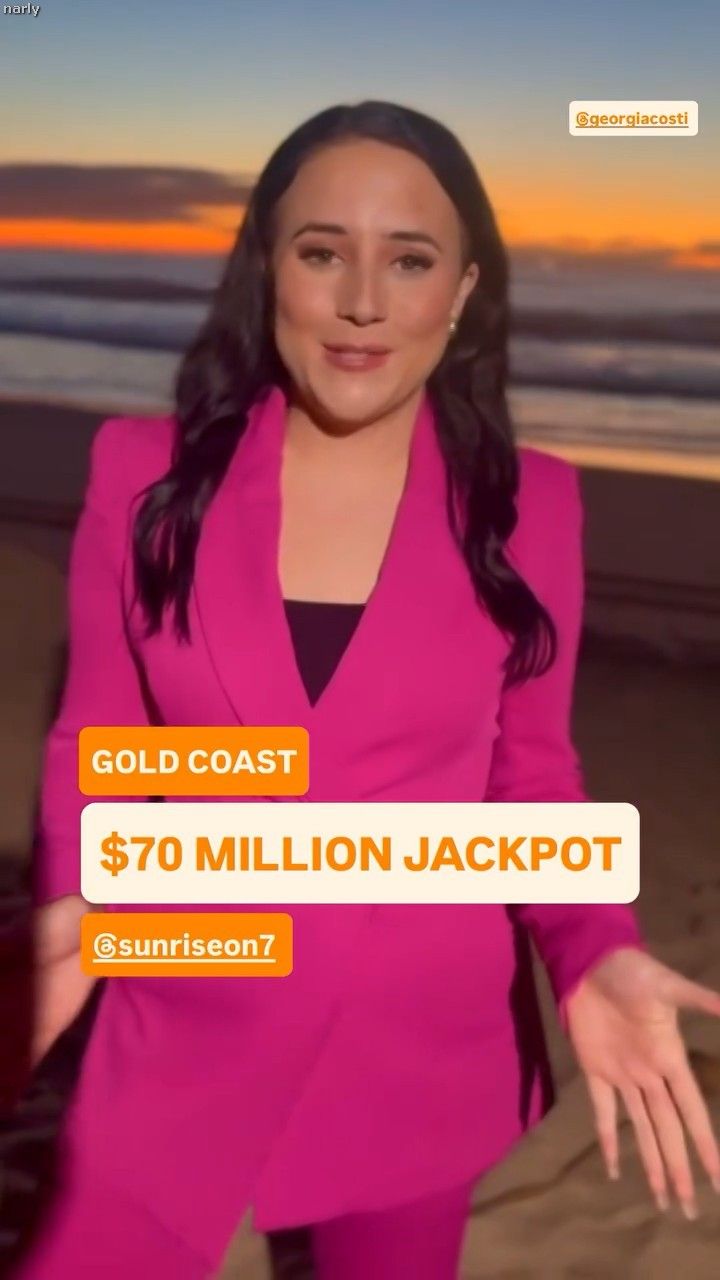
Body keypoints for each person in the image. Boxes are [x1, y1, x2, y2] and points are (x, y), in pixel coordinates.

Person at [14, 100, 720, 1279]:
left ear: (463, 290)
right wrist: (81, 907)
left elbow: (529, 775)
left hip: (418, 1046)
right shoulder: (141, 477)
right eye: (322, 251)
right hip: (183, 1011)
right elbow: (99, 747)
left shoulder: (531, 504)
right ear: (267, 268)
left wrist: (593, 948)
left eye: (409, 259)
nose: (361, 301)